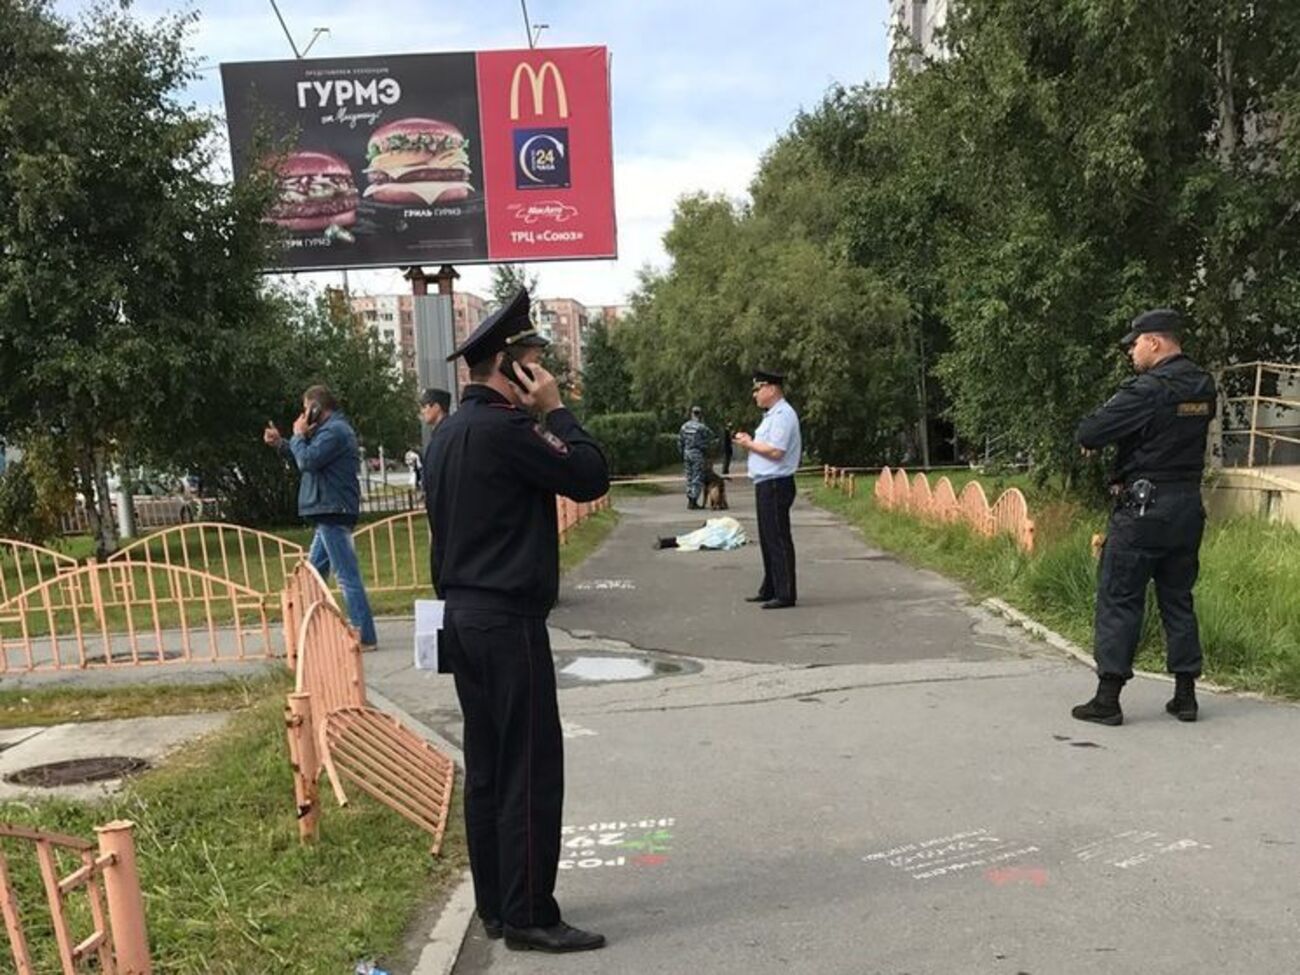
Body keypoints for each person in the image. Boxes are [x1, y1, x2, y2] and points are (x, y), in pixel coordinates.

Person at [425, 289, 610, 953]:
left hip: (460, 617)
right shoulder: (508, 430)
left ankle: (498, 904)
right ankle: (531, 910)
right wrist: (557, 410)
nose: (541, 373)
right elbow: (589, 474)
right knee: (530, 764)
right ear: (511, 367)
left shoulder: (445, 432)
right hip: (505, 620)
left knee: (489, 765)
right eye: (533, 361)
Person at [1071, 308, 1216, 726]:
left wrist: (1110, 437)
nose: (1131, 353)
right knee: (1177, 598)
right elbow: (1171, 432)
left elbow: (1090, 432)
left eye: (1134, 344)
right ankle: (1185, 696)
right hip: (1187, 507)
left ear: (1154, 341)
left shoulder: (1148, 389)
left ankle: (1107, 699)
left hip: (1143, 508)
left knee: (1120, 597)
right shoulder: (1203, 386)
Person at [264, 385, 378, 651]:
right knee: (312, 575)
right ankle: (306, 629)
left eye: (306, 408)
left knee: (346, 576)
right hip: (327, 509)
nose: (303, 414)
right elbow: (304, 456)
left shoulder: (335, 431)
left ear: (316, 407)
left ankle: (365, 635)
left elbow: (307, 461)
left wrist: (296, 435)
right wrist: (282, 443)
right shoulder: (327, 431)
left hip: (332, 510)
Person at [734, 369, 802, 610]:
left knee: (778, 538)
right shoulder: (771, 415)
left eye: (758, 389)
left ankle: (785, 593)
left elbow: (776, 451)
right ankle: (770, 587)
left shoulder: (783, 414)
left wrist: (749, 444)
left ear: (771, 389)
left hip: (776, 482)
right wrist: (750, 441)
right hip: (765, 482)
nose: (755, 394)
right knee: (767, 537)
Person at [677, 406, 716, 509]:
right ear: (700, 415)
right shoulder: (701, 427)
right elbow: (712, 437)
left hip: (687, 453)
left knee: (689, 476)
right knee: (697, 476)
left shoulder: (684, 426)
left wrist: (682, 452)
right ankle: (693, 500)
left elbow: (680, 441)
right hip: (697, 454)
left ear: (691, 414)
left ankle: (690, 498)